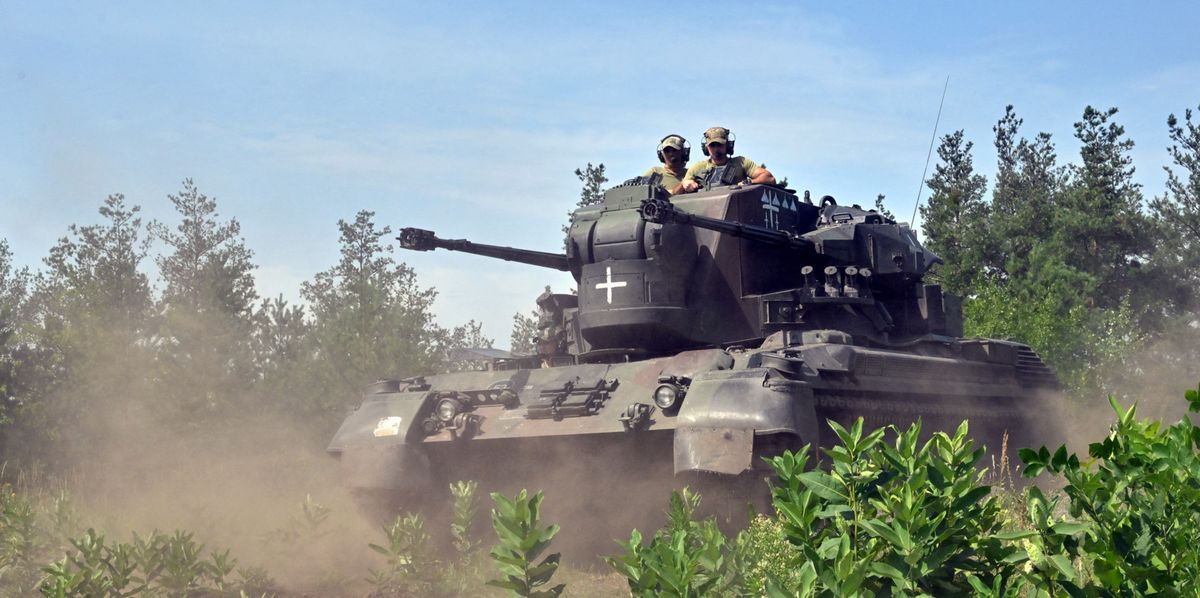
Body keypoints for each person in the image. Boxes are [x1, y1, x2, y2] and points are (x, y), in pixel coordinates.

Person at [678, 126, 775, 193]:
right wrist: (686, 183)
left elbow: (769, 178)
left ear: (728, 145)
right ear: (706, 147)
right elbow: (682, 189)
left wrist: (748, 183)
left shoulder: (741, 162)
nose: (716, 149)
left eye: (720, 145)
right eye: (712, 145)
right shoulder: (698, 167)